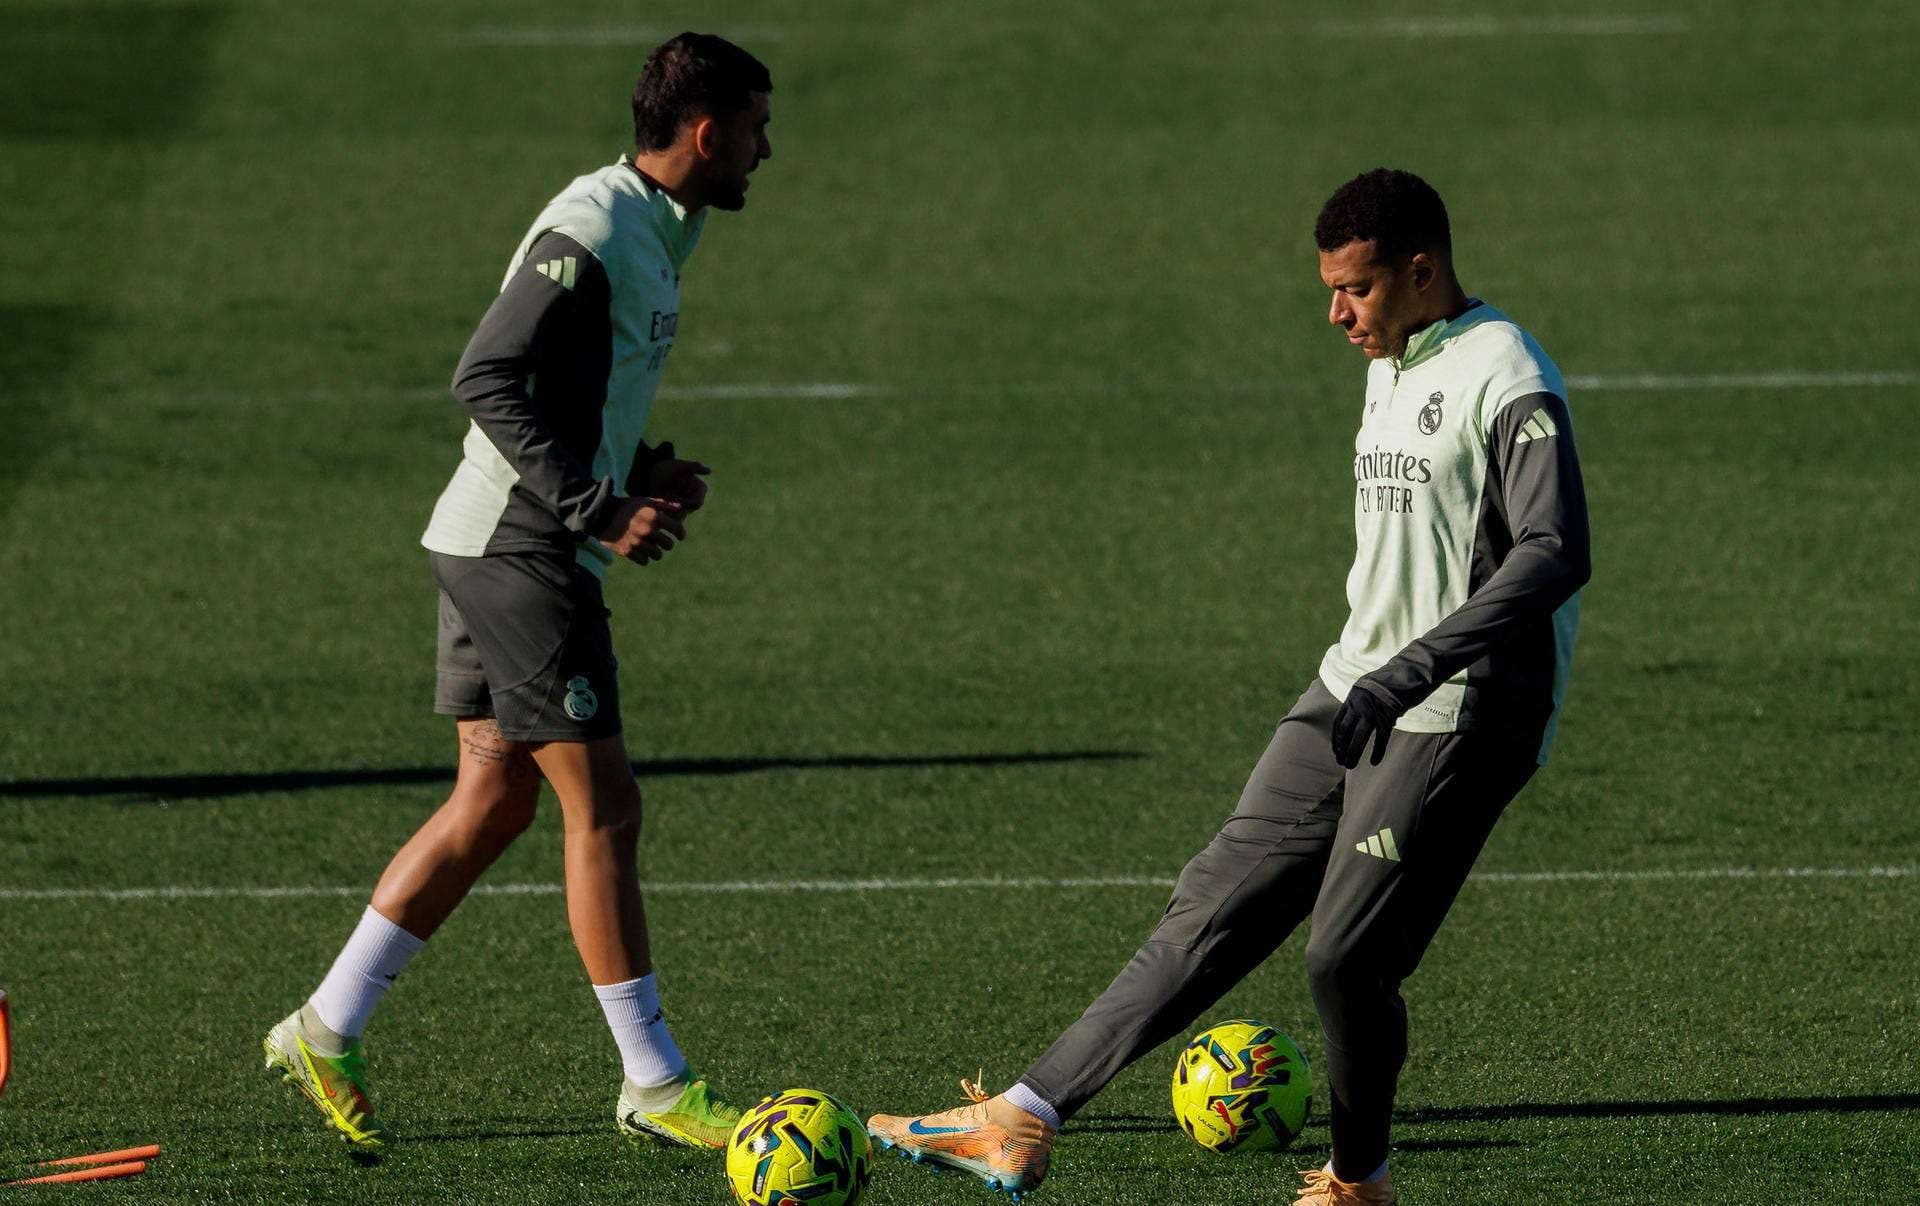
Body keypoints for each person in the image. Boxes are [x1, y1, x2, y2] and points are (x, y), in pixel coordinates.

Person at [865, 168, 1591, 1206]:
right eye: (1329, 290)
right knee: (1211, 905)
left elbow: (1556, 550)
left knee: (1344, 959)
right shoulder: (1390, 361)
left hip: (1454, 715)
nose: (1337, 313)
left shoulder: (1503, 369)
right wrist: (1373, 670)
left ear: (1422, 271)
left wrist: (1417, 664)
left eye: (1358, 289)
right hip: (1351, 689)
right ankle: (1023, 1114)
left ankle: (1358, 1181)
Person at [262, 32, 775, 1152]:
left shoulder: (656, 228)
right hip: (522, 554)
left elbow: (569, 387)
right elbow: (485, 373)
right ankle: (655, 1083)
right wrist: (595, 507)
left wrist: (631, 473)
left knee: (493, 798)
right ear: (703, 132)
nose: (763, 151)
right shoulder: (592, 227)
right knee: (606, 809)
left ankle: (323, 1026)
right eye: (753, 128)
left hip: (501, 540)